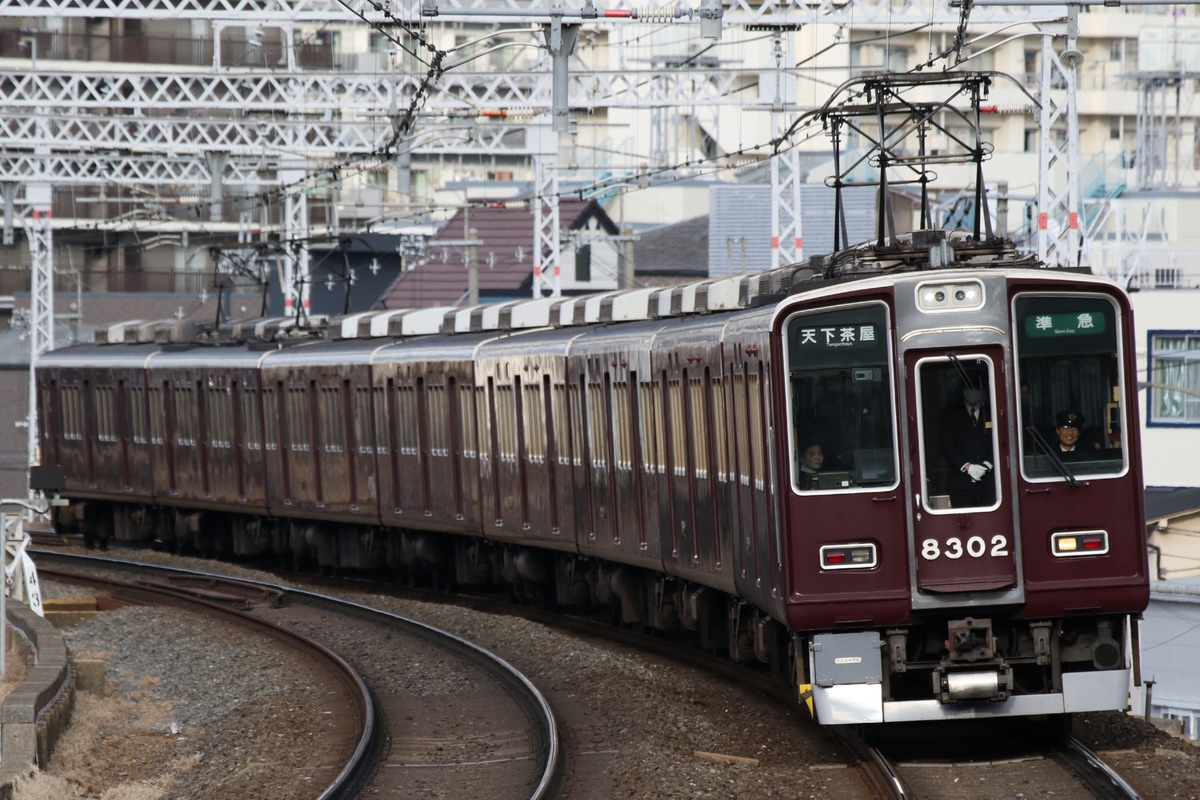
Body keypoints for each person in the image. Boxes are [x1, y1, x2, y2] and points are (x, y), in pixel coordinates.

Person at [940, 386, 996, 508]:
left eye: (977, 388)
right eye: (969, 388)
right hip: (960, 484)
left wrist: (987, 465)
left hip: (990, 483)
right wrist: (967, 467)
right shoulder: (952, 413)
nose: (974, 392)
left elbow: (1001, 440)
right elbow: (947, 445)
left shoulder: (992, 410)